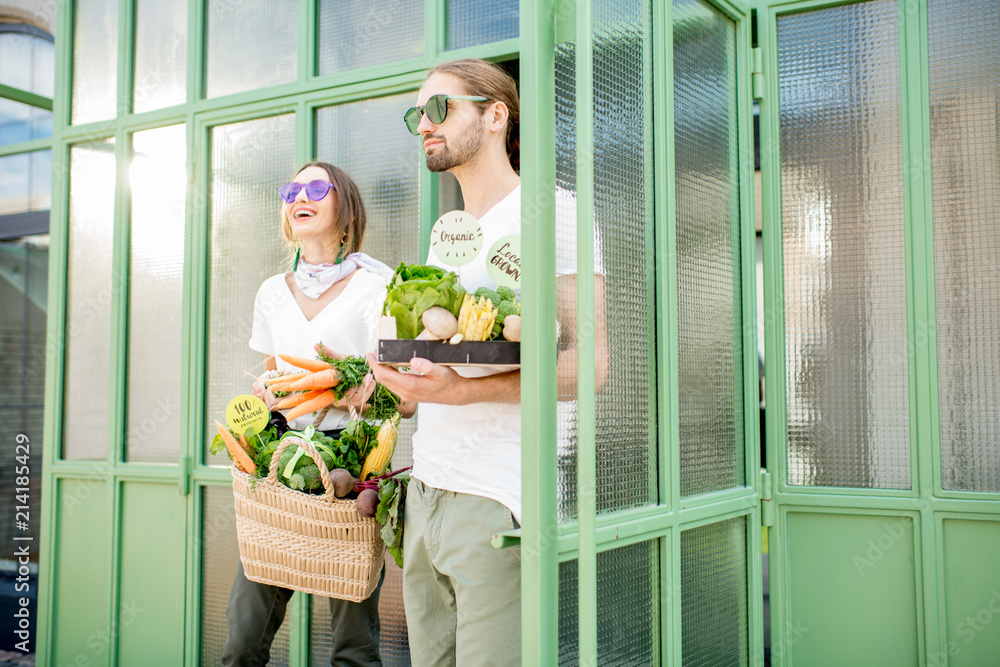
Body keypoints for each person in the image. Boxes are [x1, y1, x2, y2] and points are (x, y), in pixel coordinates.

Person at [368, 59, 607, 666]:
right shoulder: (448, 233)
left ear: (496, 115)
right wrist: (402, 384)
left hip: (498, 496)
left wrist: (462, 392)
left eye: (440, 109)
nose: (424, 124)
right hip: (427, 492)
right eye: (415, 114)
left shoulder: (553, 211)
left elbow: (592, 363)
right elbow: (445, 369)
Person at [222, 161, 394, 667]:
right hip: (283, 468)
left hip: (351, 469)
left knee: (353, 647)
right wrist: (270, 392)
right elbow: (274, 376)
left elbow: (397, 394)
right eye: (292, 189)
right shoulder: (272, 291)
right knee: (242, 643)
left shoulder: (376, 285)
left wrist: (340, 390)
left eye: (318, 187)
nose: (301, 195)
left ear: (347, 210)